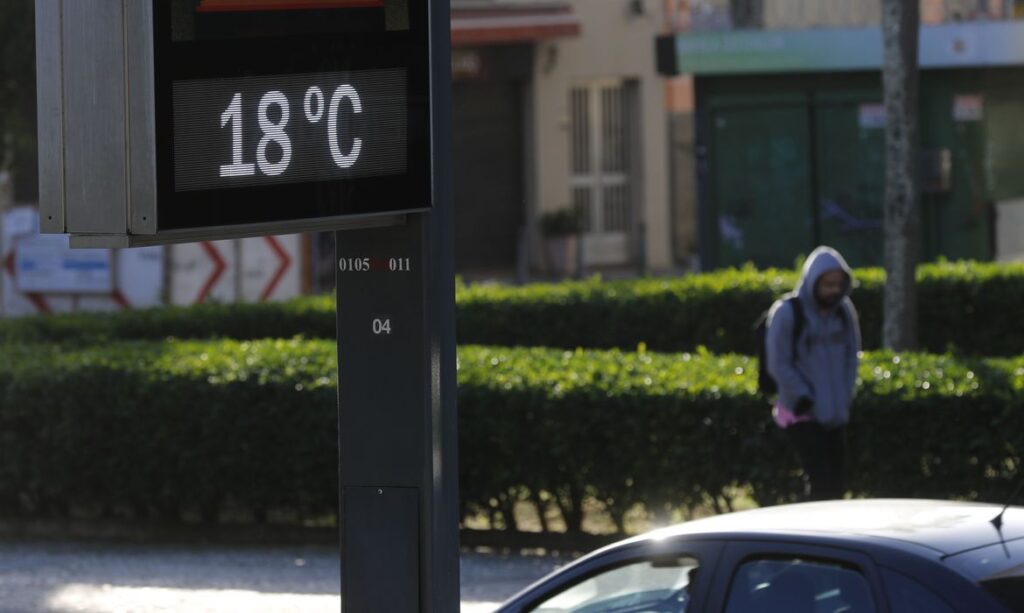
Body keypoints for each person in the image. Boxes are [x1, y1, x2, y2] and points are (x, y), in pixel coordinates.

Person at [766, 246, 861, 501]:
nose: (833, 290)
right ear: (813, 281)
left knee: (837, 483)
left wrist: (844, 396)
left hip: (835, 413)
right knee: (820, 483)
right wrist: (804, 396)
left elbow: (851, 357)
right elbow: (778, 362)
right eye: (827, 284)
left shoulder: (843, 312)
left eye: (838, 284)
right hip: (802, 413)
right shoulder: (787, 313)